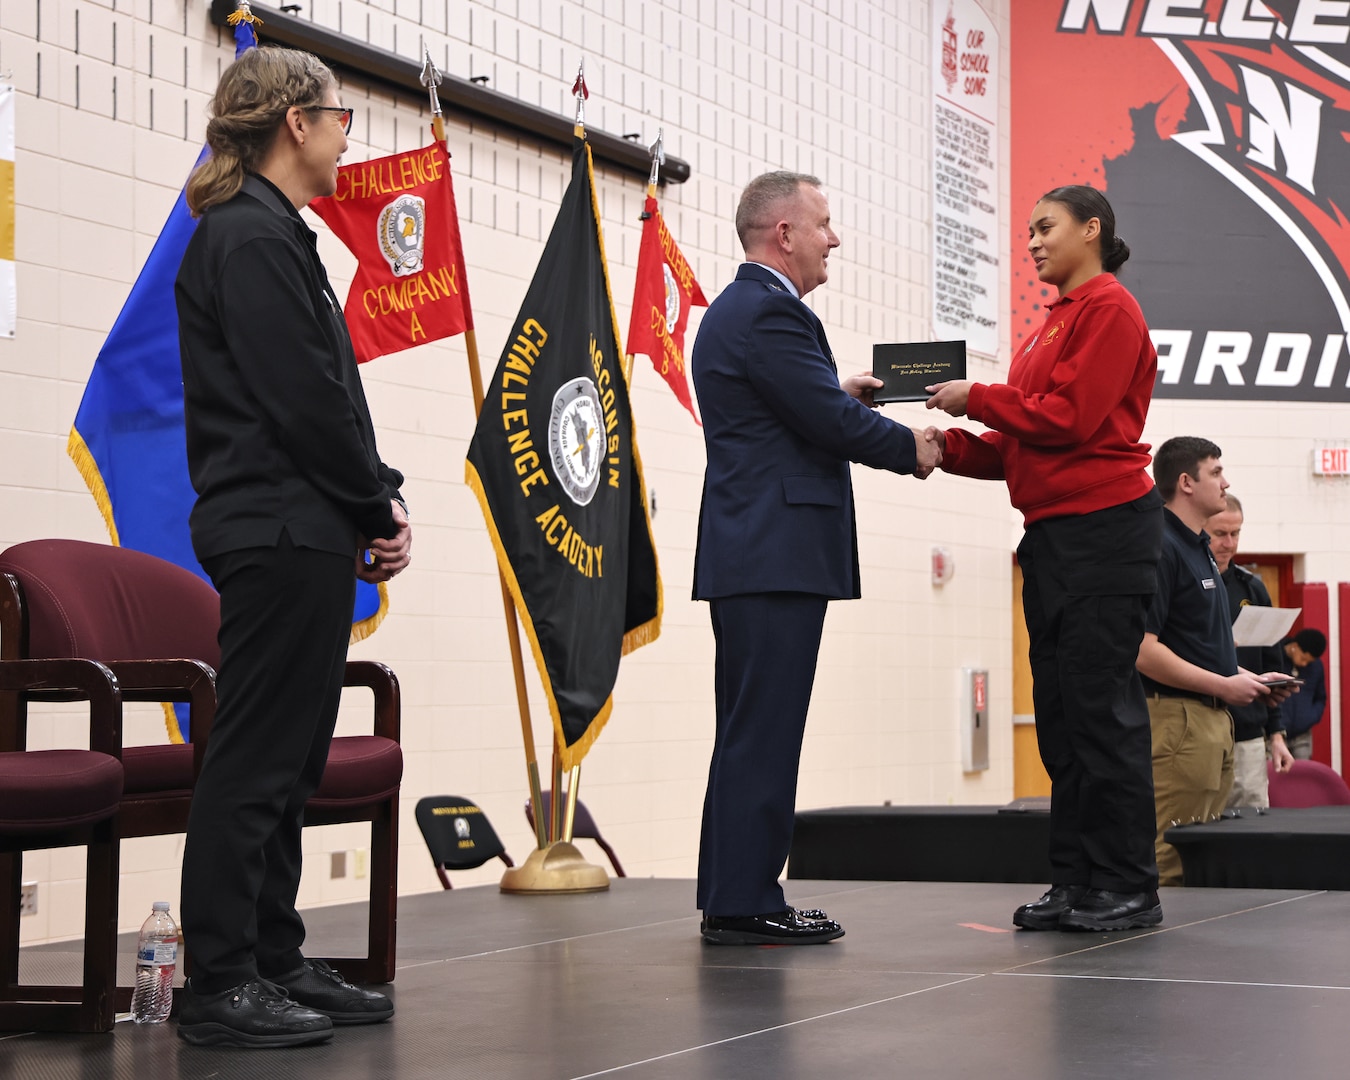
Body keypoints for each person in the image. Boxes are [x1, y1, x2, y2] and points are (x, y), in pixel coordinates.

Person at [174, 46, 410, 1047]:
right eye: (340, 114)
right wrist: (375, 500)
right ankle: (220, 981)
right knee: (256, 757)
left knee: (292, 755)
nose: (348, 133)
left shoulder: (274, 233)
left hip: (302, 526)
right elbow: (304, 400)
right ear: (294, 125)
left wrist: (363, 504)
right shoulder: (249, 239)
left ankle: (272, 956)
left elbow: (320, 393)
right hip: (278, 525)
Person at [692, 171, 940, 946]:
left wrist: (838, 394)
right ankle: (745, 901)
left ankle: (736, 894)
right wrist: (914, 448)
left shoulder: (747, 312)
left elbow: (805, 409)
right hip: (773, 553)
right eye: (825, 224)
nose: (835, 239)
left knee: (750, 730)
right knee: (763, 733)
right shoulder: (769, 312)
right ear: (783, 234)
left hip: (756, 552)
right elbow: (826, 422)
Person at [925, 184, 1165, 932]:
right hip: (1057, 536)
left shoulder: (1109, 311)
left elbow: (1070, 419)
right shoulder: (1049, 326)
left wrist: (979, 398)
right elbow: (1018, 444)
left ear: (1092, 230)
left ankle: (1129, 886)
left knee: (1101, 713)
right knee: (1061, 720)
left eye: (1045, 228)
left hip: (1105, 529)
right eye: (1027, 231)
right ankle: (1076, 881)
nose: (1030, 242)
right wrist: (936, 446)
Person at [1136, 438, 1291, 886]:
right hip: (1179, 719)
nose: (1226, 482)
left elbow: (1197, 646)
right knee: (1173, 854)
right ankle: (1154, 956)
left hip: (1211, 720)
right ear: (1186, 482)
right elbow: (1143, 649)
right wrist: (1224, 686)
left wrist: (1249, 679)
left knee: (1205, 854)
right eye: (1216, 472)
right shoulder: (1160, 545)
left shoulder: (1198, 548)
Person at [1208, 494, 1294, 809]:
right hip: (1200, 727)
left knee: (1251, 825)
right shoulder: (1185, 581)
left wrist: (1276, 735)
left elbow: (1272, 665)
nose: (1229, 543)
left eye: (1236, 533)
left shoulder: (1252, 588)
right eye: (1220, 534)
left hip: (1248, 735)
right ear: (1202, 529)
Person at [1280, 628, 1328, 759]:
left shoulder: (1316, 666)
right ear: (1295, 646)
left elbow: (1321, 698)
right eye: (1303, 658)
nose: (1304, 663)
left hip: (1303, 734)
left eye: (1309, 661)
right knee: (1274, 776)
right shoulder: (1274, 658)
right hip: (1277, 733)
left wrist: (1311, 717)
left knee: (1302, 776)